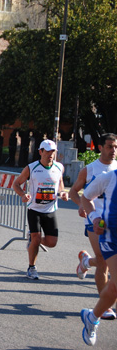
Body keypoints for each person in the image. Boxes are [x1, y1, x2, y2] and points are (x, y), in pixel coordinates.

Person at [69, 133, 117, 320]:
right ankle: (104, 306)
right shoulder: (90, 170)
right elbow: (75, 192)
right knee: (103, 261)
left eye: (115, 147)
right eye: (109, 146)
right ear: (100, 148)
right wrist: (82, 206)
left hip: (114, 223)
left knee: (103, 260)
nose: (113, 150)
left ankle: (86, 262)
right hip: (95, 220)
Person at [12, 139, 68, 280]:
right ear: (40, 152)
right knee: (36, 237)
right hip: (34, 209)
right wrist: (22, 195)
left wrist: (62, 193)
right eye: (47, 151)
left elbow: (60, 184)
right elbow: (16, 184)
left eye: (53, 152)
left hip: (50, 209)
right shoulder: (31, 168)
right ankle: (32, 267)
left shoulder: (59, 167)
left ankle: (32, 241)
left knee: (52, 243)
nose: (50, 154)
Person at [78, 168, 117, 346]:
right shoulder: (109, 178)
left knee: (114, 289)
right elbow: (85, 197)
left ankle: (92, 318)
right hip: (111, 238)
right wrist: (94, 218)